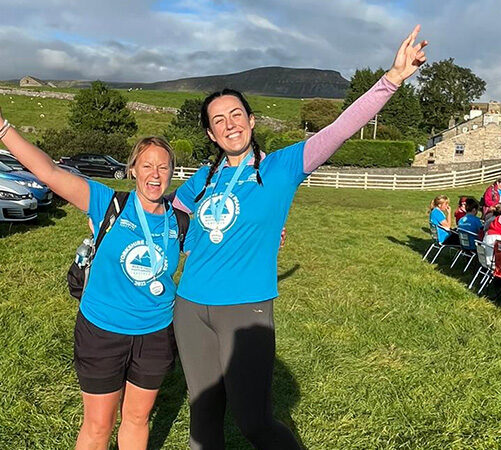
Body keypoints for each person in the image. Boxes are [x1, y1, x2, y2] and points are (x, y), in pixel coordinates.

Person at [171, 25, 427, 450]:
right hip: (191, 305)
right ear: (211, 135)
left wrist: (393, 79)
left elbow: (341, 129)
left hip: (245, 308)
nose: (230, 124)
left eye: (236, 115)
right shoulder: (200, 180)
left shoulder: (282, 167)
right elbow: (172, 225)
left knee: (253, 421)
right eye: (219, 121)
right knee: (203, 421)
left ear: (250, 121)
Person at [0, 86, 182, 450]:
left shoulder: (180, 220)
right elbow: (48, 171)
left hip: (156, 334)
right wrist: (0, 126)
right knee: (99, 427)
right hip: (102, 331)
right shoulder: (107, 203)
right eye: (147, 165)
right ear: (133, 170)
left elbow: (224, 241)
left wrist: (273, 234)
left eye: (163, 166)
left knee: (136, 419)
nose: (155, 174)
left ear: (173, 172)